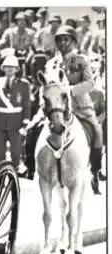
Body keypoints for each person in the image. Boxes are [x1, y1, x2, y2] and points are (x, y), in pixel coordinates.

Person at [49, 26, 105, 192]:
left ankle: (95, 170)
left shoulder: (81, 60)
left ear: (73, 41)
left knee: (97, 131)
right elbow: (46, 86)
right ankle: (31, 166)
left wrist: (71, 90)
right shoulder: (51, 63)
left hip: (80, 106)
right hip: (55, 108)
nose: (63, 43)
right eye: (59, 39)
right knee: (32, 129)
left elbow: (90, 83)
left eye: (66, 39)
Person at [0, 55, 31, 175]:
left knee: (16, 151)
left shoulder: (24, 84)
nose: (9, 70)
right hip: (0, 121)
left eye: (12, 67)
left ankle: (15, 172)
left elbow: (26, 104)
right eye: (7, 67)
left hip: (16, 121)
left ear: (17, 69)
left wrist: (25, 122)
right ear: (3, 68)